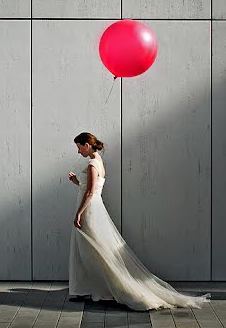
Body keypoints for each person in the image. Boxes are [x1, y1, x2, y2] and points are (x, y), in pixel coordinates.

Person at [67, 132, 209, 310]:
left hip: (90, 211)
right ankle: (93, 288)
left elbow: (90, 193)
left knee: (96, 251)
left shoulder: (92, 165)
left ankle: (108, 288)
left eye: (79, 147)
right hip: (93, 208)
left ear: (87, 145)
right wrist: (76, 181)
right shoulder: (98, 163)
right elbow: (90, 188)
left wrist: (79, 213)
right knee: (94, 249)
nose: (78, 151)